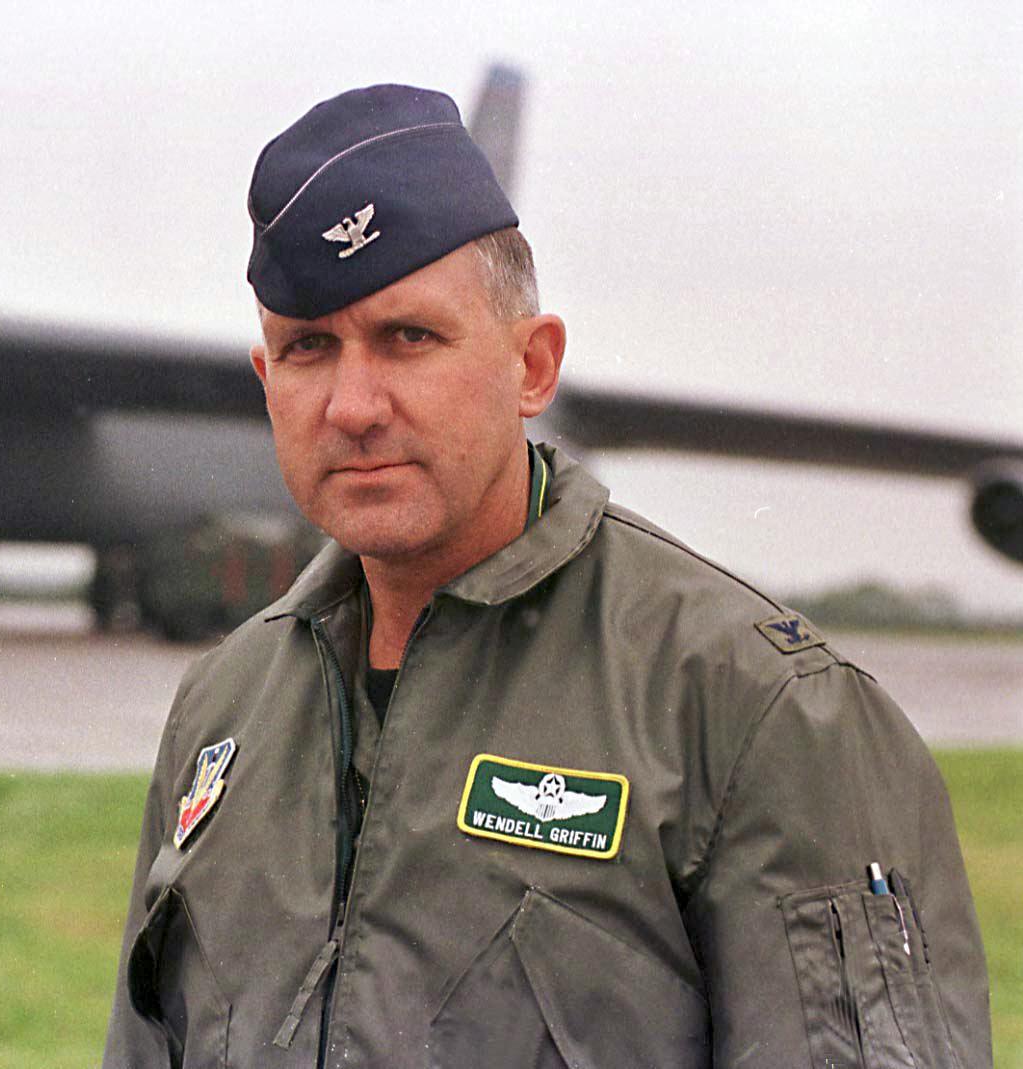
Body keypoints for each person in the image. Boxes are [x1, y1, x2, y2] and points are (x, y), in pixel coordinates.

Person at [102, 83, 991, 1069]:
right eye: (308, 348)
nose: (352, 405)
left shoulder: (751, 707)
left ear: (532, 366)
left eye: (408, 337)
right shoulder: (223, 708)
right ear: (267, 387)